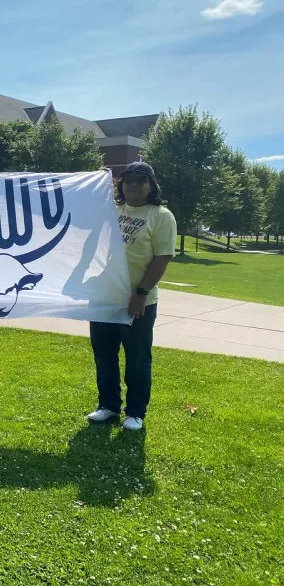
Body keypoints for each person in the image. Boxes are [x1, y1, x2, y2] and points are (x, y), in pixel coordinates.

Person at [87, 162, 177, 431]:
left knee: (137, 357)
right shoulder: (112, 210)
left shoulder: (161, 216)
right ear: (121, 185)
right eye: (128, 181)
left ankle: (135, 412)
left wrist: (140, 293)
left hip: (138, 301)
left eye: (140, 180)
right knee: (104, 355)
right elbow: (86, 214)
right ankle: (108, 406)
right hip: (105, 298)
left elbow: (162, 258)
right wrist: (97, 180)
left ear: (151, 186)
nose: (134, 185)